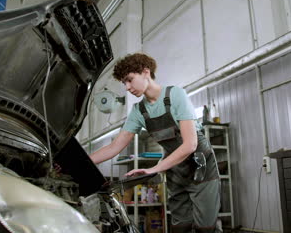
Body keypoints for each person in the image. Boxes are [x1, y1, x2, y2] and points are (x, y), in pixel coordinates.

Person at [90, 53, 220, 233]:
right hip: (176, 170)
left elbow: (190, 144)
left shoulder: (175, 95)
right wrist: (80, 163)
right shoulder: (139, 111)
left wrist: (154, 169)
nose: (127, 87)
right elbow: (114, 147)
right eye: (124, 83)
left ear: (145, 72)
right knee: (180, 226)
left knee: (206, 228)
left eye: (129, 80)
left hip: (201, 167)